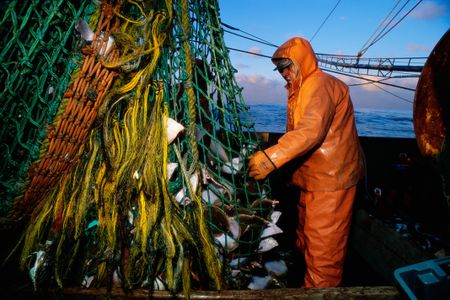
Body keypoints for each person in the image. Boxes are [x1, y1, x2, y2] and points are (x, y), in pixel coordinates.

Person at [248, 37, 364, 288]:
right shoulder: (301, 88)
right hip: (313, 179)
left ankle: (320, 292)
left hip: (332, 182)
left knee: (324, 253)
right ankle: (303, 281)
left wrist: (270, 158)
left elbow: (311, 132)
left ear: (302, 61)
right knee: (306, 239)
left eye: (288, 67)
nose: (285, 74)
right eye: (280, 70)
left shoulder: (319, 84)